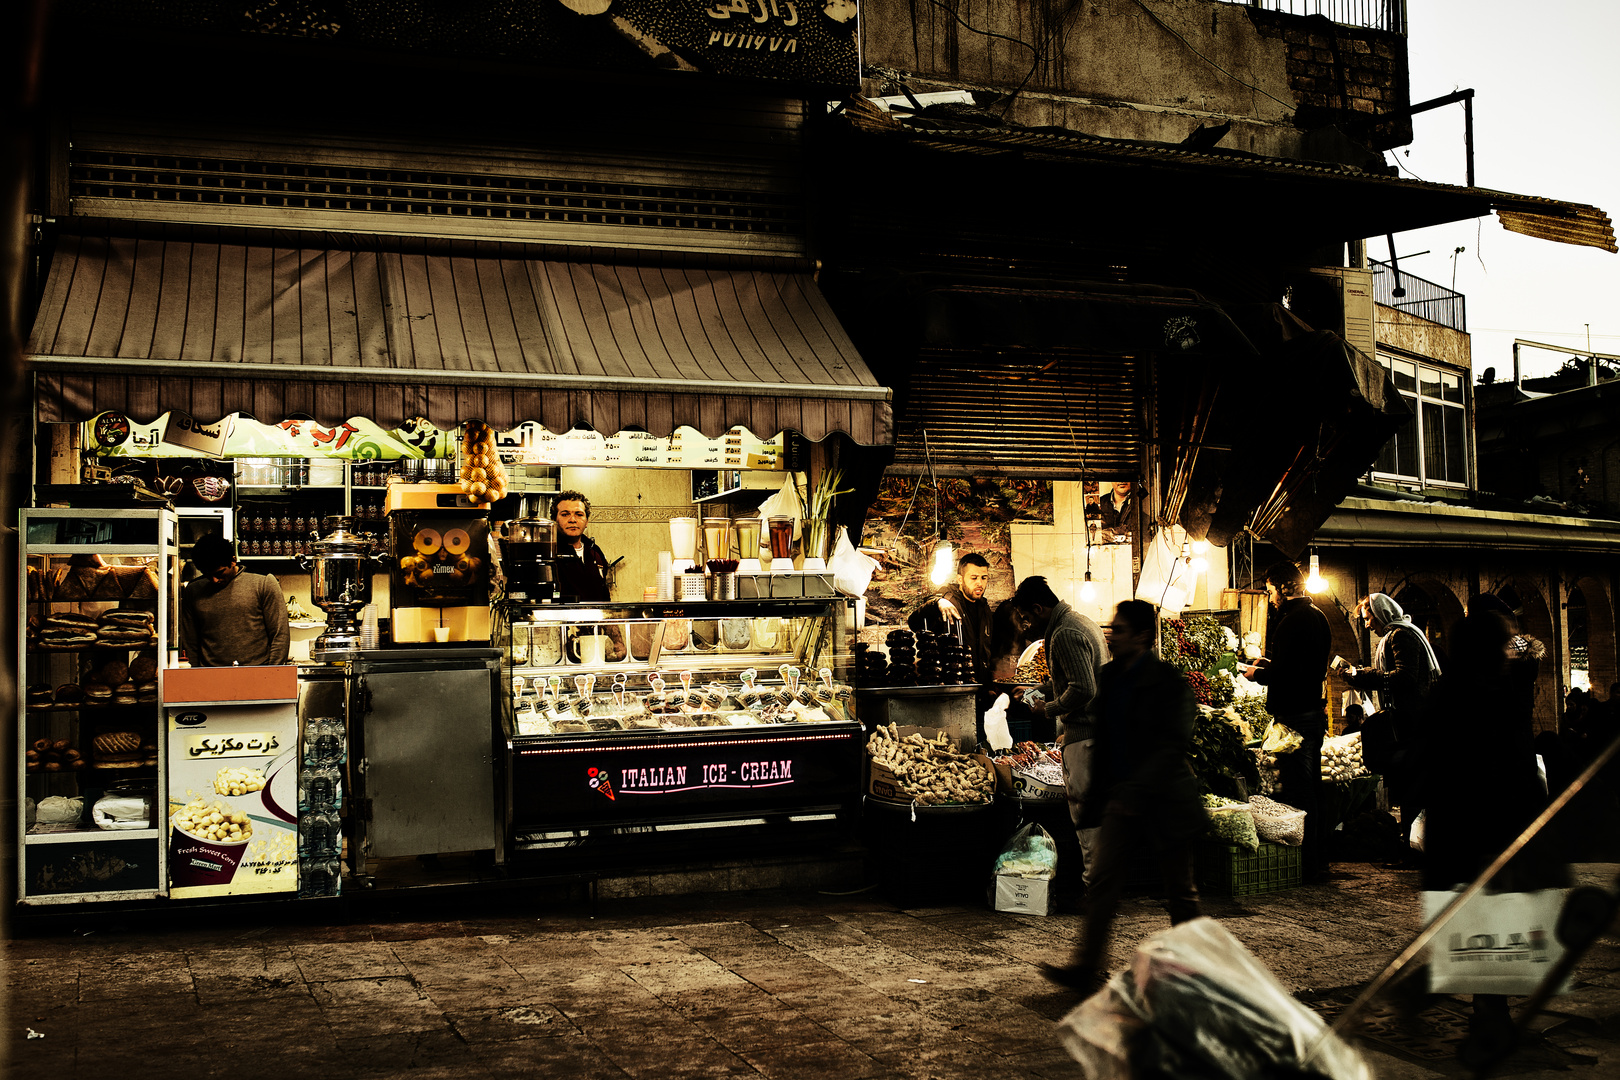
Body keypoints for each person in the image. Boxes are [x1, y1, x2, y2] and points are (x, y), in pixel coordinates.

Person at [1039, 599, 1205, 992]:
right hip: (1119, 799)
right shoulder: (1110, 678)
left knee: (1180, 891)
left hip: (1163, 798)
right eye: (1110, 628)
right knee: (1102, 883)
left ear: (1143, 636)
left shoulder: (1169, 683)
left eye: (1120, 630)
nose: (1111, 636)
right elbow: (1107, 737)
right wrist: (1102, 795)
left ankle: (1200, 966)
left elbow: (1172, 745)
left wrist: (1135, 789)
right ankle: (1085, 968)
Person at [1423, 611, 1568, 1050]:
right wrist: (1519, 646)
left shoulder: (1443, 691)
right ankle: (1492, 1011)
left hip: (1458, 823)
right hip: (1500, 818)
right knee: (1501, 917)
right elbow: (1534, 650)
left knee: (1480, 919)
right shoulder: (1506, 691)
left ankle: (1489, 1008)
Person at [1009, 576, 1109, 893]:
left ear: (1039, 609)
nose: (1025, 626)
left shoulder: (1064, 633)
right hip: (1096, 734)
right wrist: (1037, 690)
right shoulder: (1079, 621)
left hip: (1086, 737)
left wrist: (1048, 708)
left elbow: (1083, 689)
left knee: (1088, 820)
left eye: (1026, 617)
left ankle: (1096, 892)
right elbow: (1075, 679)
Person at [1243, 561, 1331, 880]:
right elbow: (1302, 666)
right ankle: (1318, 858)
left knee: (1300, 789)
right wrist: (1271, 663)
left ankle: (1308, 865)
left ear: (1284, 587)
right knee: (1313, 788)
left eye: (1270, 590)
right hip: (1312, 713)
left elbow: (1286, 673)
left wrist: (1259, 673)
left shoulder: (1292, 620)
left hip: (1295, 717)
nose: (1270, 597)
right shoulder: (1318, 617)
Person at [1340, 592, 1442, 841]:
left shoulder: (1401, 635)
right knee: (1409, 785)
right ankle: (1412, 840)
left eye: (1368, 618)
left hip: (1410, 724)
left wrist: (1363, 677)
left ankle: (1412, 843)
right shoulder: (1399, 634)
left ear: (1381, 614)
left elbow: (1405, 676)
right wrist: (1362, 673)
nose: (1367, 625)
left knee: (1411, 786)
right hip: (1411, 722)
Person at [180, 533, 290, 667]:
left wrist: (274, 673)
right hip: (210, 677)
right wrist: (194, 674)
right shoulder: (193, 590)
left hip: (258, 674)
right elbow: (190, 642)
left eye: (219, 573)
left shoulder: (263, 582)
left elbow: (280, 634)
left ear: (233, 560)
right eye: (208, 575)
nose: (214, 580)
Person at [908, 553, 993, 681]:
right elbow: (914, 622)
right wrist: (937, 602)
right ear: (960, 579)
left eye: (984, 577)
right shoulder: (946, 600)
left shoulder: (985, 609)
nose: (979, 583)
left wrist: (988, 686)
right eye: (974, 578)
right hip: (949, 684)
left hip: (978, 687)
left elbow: (987, 652)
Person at [552, 490, 611, 603]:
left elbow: (604, 593)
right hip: (559, 619)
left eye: (579, 515)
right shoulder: (548, 553)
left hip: (595, 618)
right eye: (565, 514)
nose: (573, 520)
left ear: (587, 521)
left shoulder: (595, 551)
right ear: (554, 520)